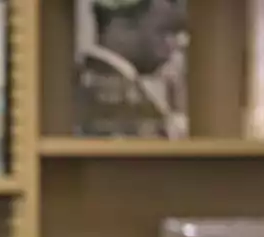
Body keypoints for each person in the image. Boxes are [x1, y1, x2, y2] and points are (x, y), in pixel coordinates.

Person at [75, 0, 187, 138]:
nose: (174, 44)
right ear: (120, 24)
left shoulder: (83, 80)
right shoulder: (112, 96)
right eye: (163, 31)